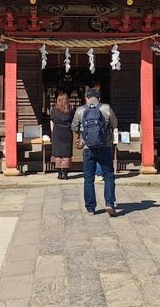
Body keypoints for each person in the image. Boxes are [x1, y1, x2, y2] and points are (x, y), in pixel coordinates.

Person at [71, 88, 118, 216]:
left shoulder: (81, 110)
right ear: (99, 98)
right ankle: (109, 203)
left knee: (88, 178)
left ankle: (91, 208)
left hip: (88, 148)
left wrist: (78, 140)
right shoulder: (106, 108)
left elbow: (74, 127)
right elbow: (115, 124)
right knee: (108, 175)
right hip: (105, 146)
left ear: (86, 98)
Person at [50, 92, 74, 180]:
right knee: (66, 154)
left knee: (58, 154)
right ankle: (65, 174)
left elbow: (52, 119)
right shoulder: (70, 110)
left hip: (57, 133)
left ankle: (59, 173)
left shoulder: (54, 110)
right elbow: (73, 120)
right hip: (67, 133)